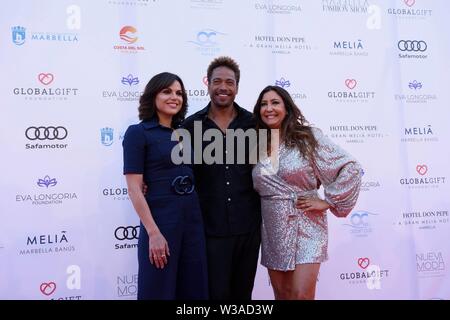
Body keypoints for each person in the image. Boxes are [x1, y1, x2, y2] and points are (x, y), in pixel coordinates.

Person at [252, 85, 362, 300]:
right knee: (283, 294)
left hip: (307, 223)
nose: (269, 108)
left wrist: (328, 201)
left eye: (275, 102)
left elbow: (351, 167)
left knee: (301, 295)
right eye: (264, 104)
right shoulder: (258, 144)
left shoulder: (308, 138)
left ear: (287, 108)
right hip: (273, 225)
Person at [122, 72, 208, 300]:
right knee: (158, 291)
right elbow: (134, 189)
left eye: (179, 93)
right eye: (167, 91)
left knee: (193, 291)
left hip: (192, 221)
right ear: (153, 96)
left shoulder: (185, 135)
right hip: (161, 222)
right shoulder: (137, 133)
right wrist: (154, 233)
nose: (175, 97)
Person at [182, 56, 261, 300]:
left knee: (242, 296)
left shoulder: (255, 125)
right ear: (208, 84)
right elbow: (181, 175)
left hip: (248, 227)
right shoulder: (189, 126)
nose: (223, 87)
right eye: (217, 81)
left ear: (237, 86)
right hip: (209, 228)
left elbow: (269, 172)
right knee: (215, 294)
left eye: (229, 82)